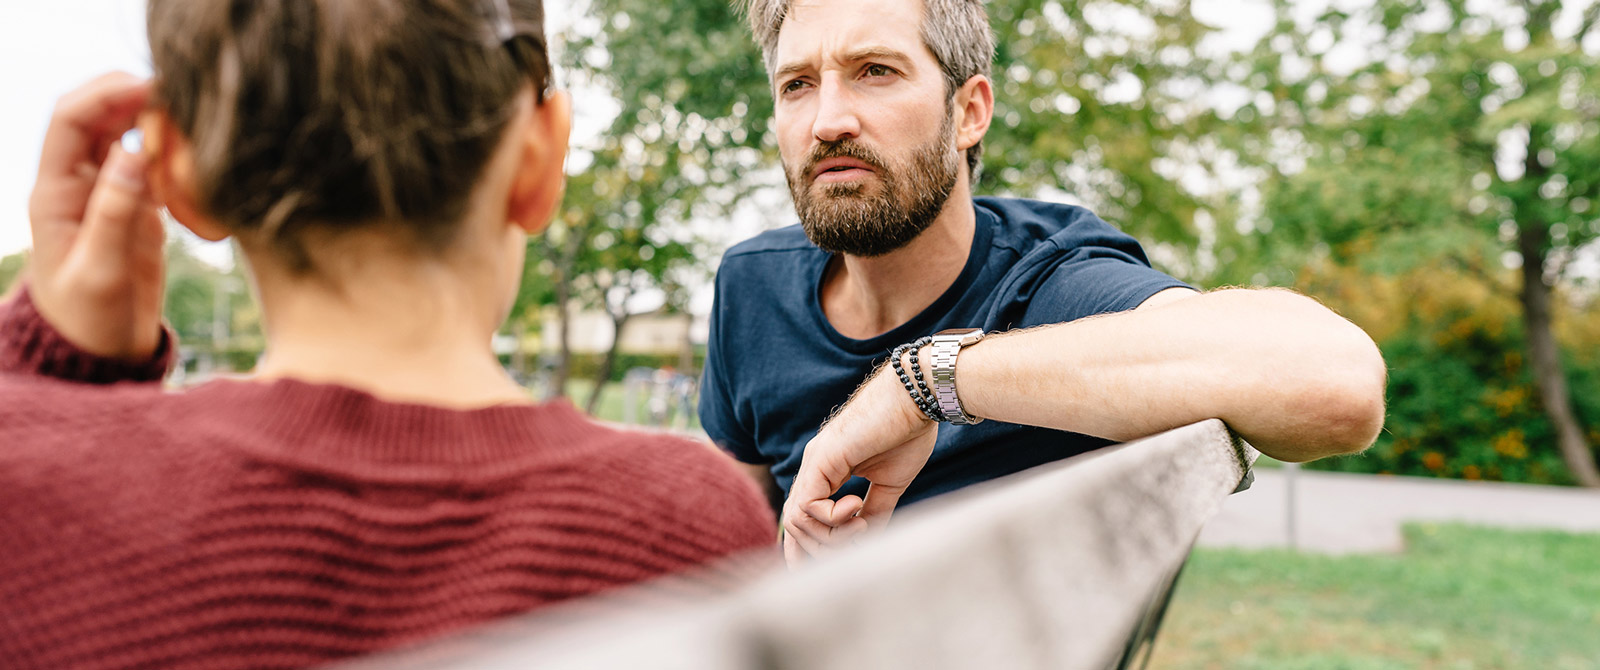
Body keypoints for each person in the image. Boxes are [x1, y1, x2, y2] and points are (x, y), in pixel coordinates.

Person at [0, 1, 775, 668]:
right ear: (540, 158)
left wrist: (57, 357)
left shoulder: (28, 500)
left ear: (173, 170)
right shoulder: (688, 530)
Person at [699, 0, 1388, 564]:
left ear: (969, 112)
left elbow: (1339, 386)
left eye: (875, 70)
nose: (827, 121)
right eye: (797, 85)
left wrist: (925, 386)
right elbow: (725, 553)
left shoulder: (1051, 282)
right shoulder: (750, 288)